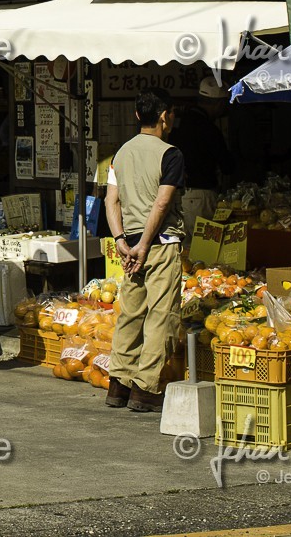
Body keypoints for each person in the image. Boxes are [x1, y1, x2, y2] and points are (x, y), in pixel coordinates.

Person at [105, 86, 187, 414]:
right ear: (165, 116)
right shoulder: (171, 154)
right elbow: (163, 202)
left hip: (130, 245)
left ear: (138, 115)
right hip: (160, 243)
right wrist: (143, 245)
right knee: (161, 314)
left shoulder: (120, 153)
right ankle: (145, 387)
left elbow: (112, 200)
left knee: (130, 312)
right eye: (171, 114)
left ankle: (118, 382)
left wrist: (122, 241)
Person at [170, 78, 234, 237]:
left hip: (179, 195)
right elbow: (227, 166)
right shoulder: (208, 128)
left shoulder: (179, 122)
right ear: (219, 104)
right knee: (204, 249)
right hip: (202, 195)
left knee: (186, 248)